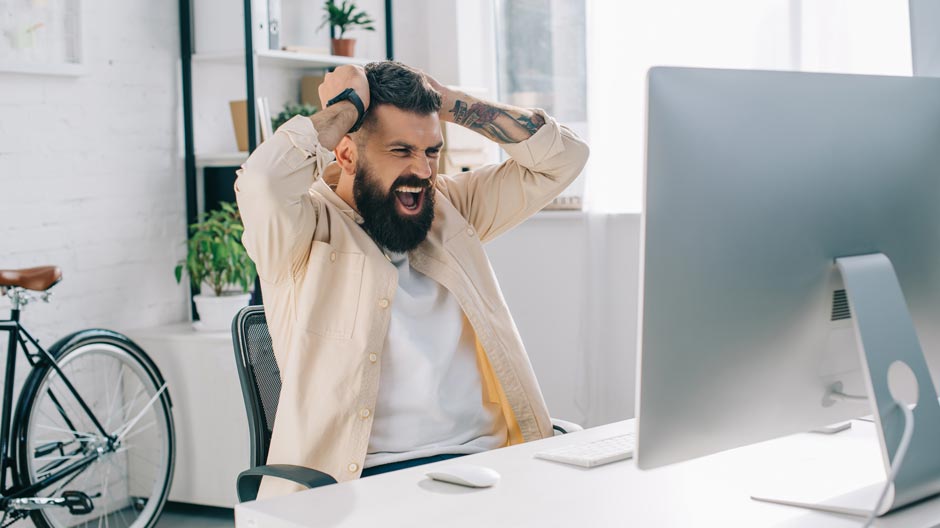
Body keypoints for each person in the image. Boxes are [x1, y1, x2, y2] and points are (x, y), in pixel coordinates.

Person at [235, 60, 589, 499]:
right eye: (401, 151)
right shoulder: (301, 230)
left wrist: (449, 103)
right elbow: (263, 182)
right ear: (345, 154)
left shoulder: (449, 208)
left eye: (432, 152)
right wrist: (348, 107)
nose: (423, 171)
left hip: (489, 470)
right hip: (366, 486)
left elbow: (564, 160)